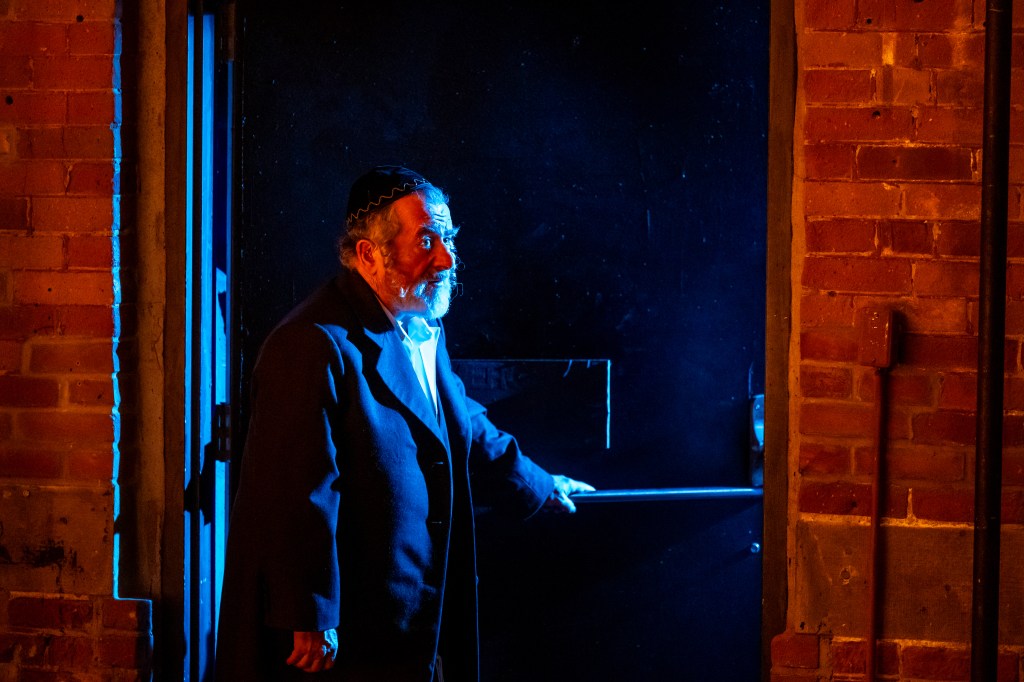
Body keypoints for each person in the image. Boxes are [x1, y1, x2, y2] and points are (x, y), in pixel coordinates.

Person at [215, 165, 595, 681]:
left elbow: (459, 423)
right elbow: (297, 489)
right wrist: (310, 614)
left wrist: (538, 484)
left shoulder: (416, 322)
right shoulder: (311, 343)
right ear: (370, 253)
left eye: (449, 238)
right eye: (427, 240)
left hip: (409, 615)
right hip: (346, 633)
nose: (448, 258)